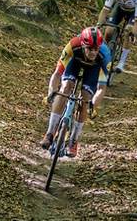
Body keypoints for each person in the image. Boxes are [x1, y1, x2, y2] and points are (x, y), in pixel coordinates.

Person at [40, 27, 110, 157]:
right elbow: (56, 74)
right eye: (89, 49)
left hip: (94, 69)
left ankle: (73, 140)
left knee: (85, 98)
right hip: (75, 62)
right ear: (83, 45)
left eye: (96, 49)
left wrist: (92, 105)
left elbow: (101, 88)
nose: (93, 52)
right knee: (65, 88)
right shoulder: (73, 45)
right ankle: (49, 133)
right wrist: (51, 91)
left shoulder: (105, 55)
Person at [96, 0, 137, 73]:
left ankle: (121, 63)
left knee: (128, 31)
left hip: (133, 13)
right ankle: (103, 53)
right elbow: (105, 10)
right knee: (109, 31)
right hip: (119, 9)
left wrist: (133, 34)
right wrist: (98, 25)